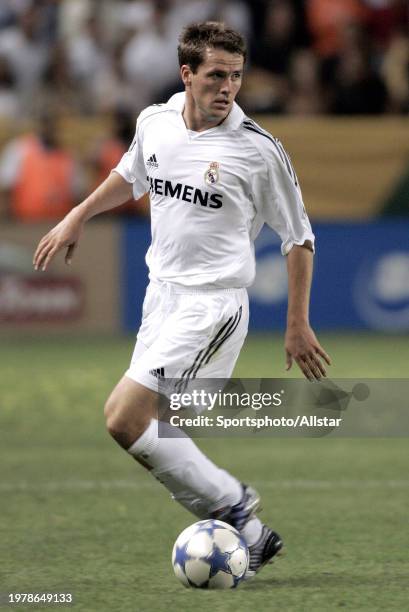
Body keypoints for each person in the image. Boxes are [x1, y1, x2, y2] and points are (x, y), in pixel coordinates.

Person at [33, 22, 331, 577]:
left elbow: (299, 237)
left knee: (124, 418)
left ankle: (235, 505)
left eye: (237, 77)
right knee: (158, 430)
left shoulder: (258, 151)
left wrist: (297, 323)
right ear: (187, 74)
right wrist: (79, 214)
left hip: (211, 306)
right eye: (217, 75)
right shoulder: (156, 122)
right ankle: (250, 534)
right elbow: (131, 175)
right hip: (161, 298)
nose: (228, 88)